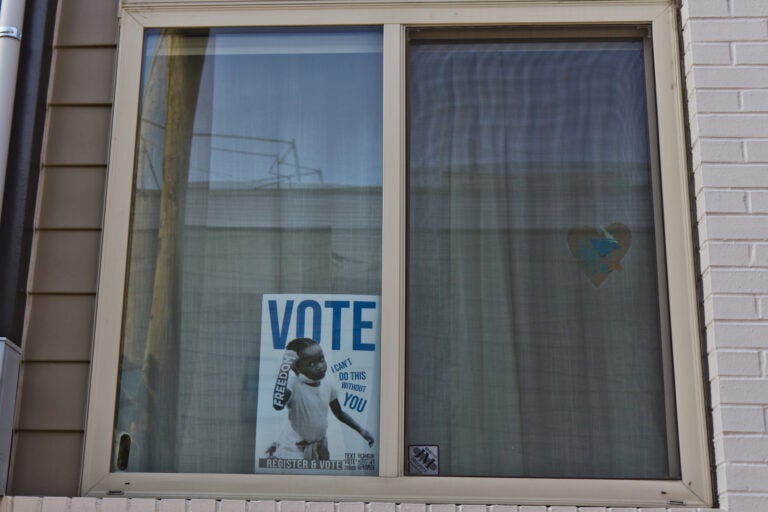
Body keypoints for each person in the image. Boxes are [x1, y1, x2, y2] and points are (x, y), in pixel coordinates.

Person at [266, 337, 374, 461]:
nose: (320, 366)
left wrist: (361, 430)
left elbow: (339, 413)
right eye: (311, 363)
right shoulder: (293, 384)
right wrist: (284, 369)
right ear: (296, 368)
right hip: (292, 451)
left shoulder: (328, 385)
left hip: (320, 448)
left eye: (321, 359)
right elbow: (278, 404)